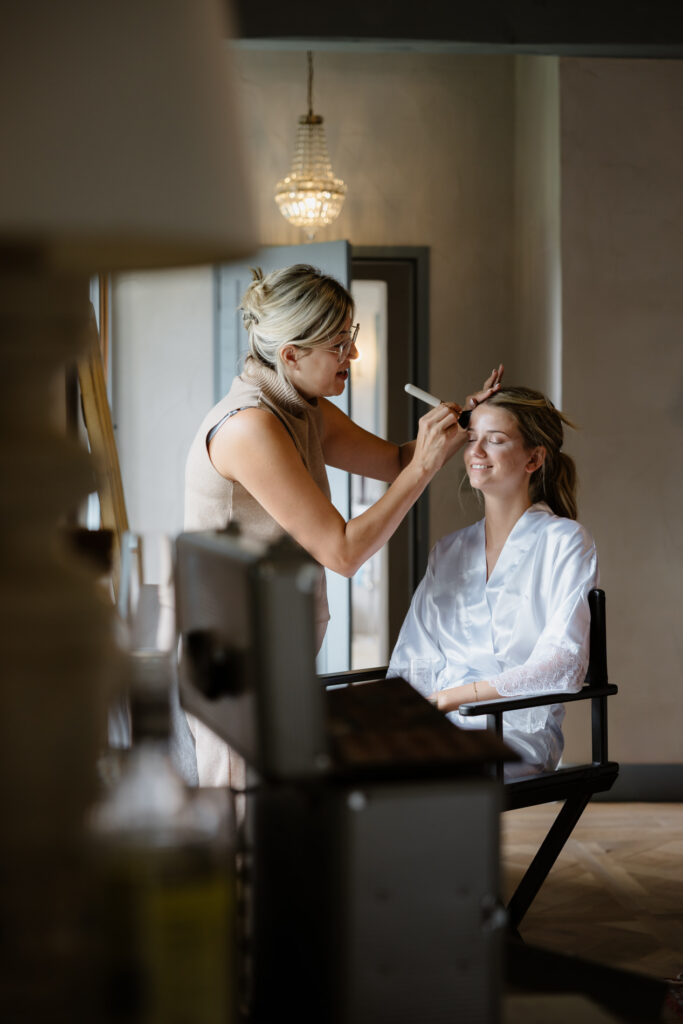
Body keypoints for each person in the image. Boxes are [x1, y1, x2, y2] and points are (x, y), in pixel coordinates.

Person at [184, 263, 502, 785]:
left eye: (350, 336)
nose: (352, 354)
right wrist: (423, 467)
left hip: (278, 643)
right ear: (291, 355)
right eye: (338, 344)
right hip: (236, 658)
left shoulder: (303, 407)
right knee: (244, 816)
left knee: (285, 811)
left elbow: (396, 462)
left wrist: (466, 421)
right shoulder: (249, 427)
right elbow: (343, 552)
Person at [387, 385, 598, 777]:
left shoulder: (565, 541)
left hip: (516, 731)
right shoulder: (448, 551)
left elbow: (564, 663)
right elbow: (413, 658)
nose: (476, 452)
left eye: (495, 441)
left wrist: (452, 698)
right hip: (437, 726)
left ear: (534, 458)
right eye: (472, 439)